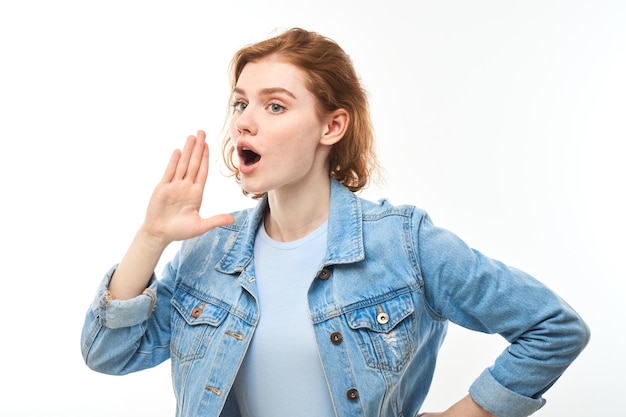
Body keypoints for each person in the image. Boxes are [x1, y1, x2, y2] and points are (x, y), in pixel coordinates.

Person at [81, 28, 590, 417]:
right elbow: (108, 354)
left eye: (274, 105)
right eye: (240, 103)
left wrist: (471, 412)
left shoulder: (404, 245)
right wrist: (151, 238)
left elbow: (552, 327)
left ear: (332, 125)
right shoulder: (209, 249)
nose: (243, 121)